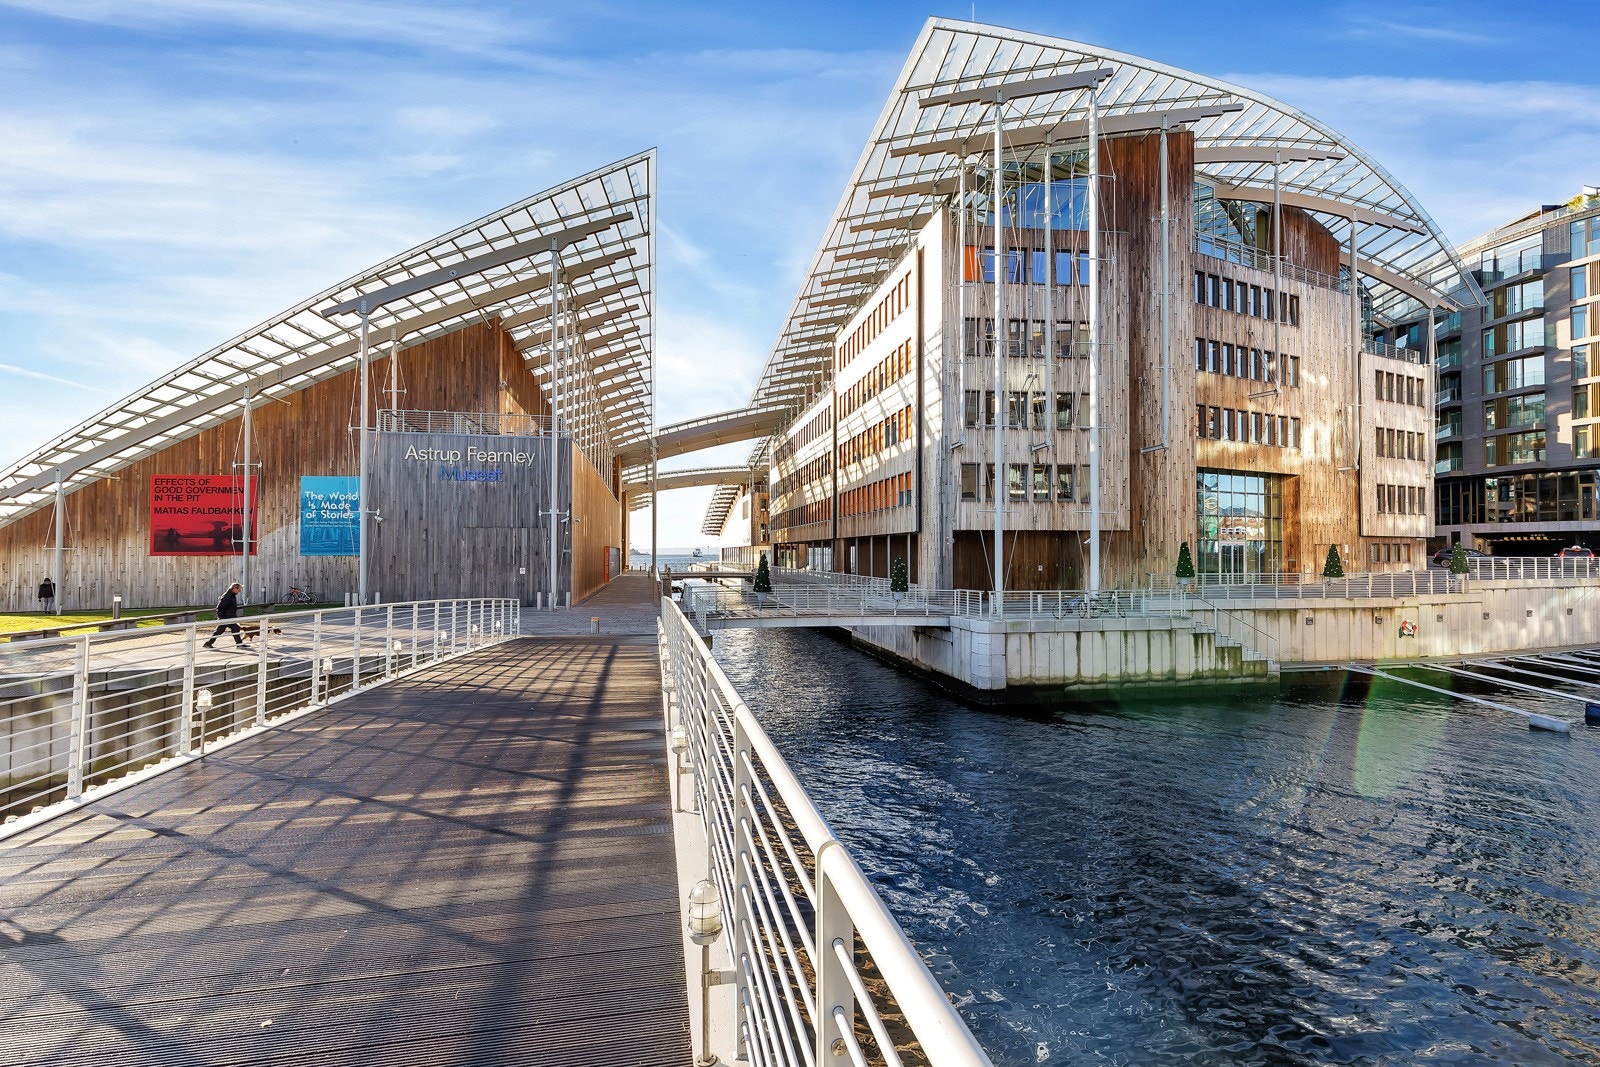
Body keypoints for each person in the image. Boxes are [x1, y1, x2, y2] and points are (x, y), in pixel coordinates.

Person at [204, 582, 245, 648]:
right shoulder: (227, 597)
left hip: (228, 616)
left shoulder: (231, 595)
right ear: (234, 588)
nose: (239, 591)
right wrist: (221, 618)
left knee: (220, 631)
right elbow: (219, 608)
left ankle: (208, 643)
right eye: (239, 590)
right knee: (235, 628)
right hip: (226, 617)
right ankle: (239, 644)